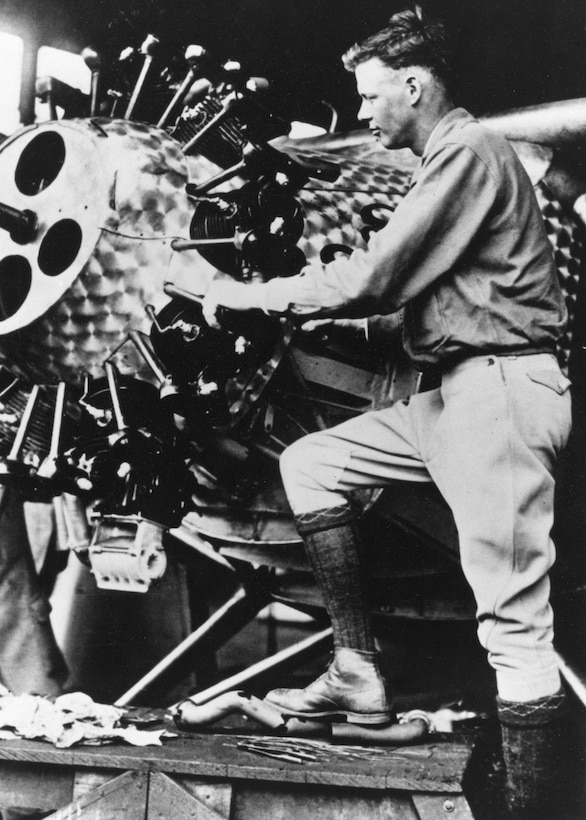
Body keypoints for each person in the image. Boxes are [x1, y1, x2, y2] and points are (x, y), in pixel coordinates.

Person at [202, 9, 578, 818]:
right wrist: (311, 315)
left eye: (372, 97)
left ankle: (534, 807)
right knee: (312, 465)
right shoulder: (448, 162)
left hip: (500, 394)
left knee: (512, 625)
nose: (364, 114)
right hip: (448, 393)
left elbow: (376, 275)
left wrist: (237, 294)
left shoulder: (469, 151)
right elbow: (417, 308)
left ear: (415, 86)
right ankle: (356, 669)